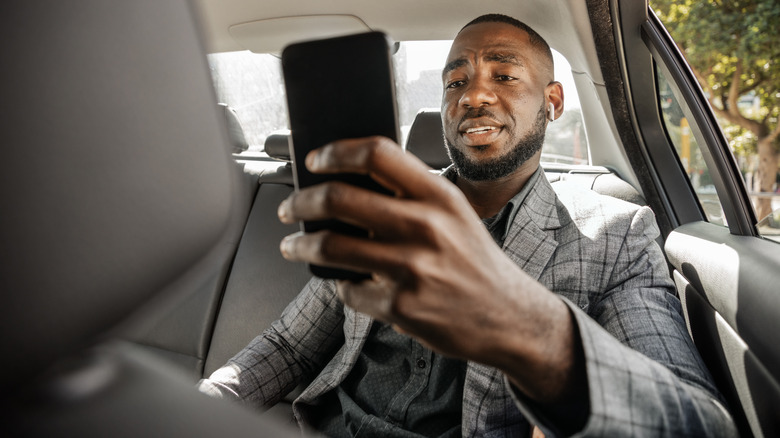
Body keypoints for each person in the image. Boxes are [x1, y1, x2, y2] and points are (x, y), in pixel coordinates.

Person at [199, 14, 736, 437]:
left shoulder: (616, 234)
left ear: (552, 102)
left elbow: (697, 423)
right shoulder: (386, 209)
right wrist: (199, 410)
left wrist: (524, 326)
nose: (473, 95)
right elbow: (290, 347)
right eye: (456, 81)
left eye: (504, 75)